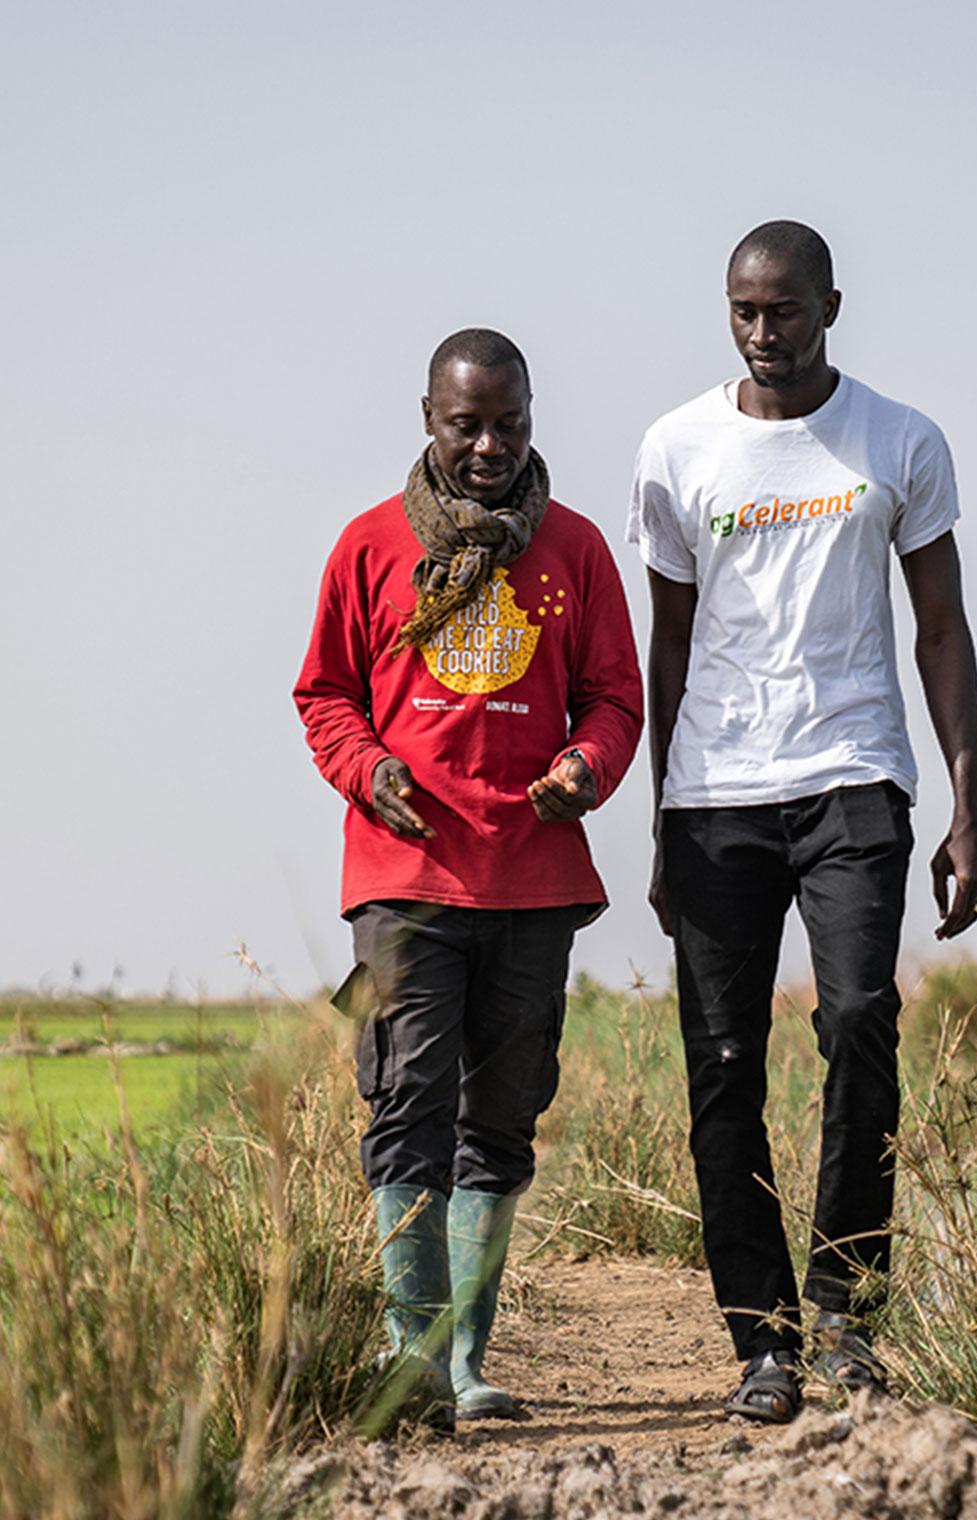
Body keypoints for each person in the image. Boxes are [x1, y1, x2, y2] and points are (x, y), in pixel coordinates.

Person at [628, 221, 977, 1423]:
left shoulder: (899, 439)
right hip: (716, 793)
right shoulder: (678, 448)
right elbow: (668, 643)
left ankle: (844, 1313)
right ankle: (763, 1339)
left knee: (861, 1022)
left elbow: (941, 626)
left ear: (830, 306)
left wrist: (969, 801)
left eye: (784, 309)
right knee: (723, 1061)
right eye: (744, 309)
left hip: (855, 775)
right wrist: (662, 817)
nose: (762, 331)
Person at [294, 328, 643, 1430]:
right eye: (467, 425)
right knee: (407, 1104)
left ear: (532, 418)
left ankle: (468, 1358)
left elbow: (615, 698)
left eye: (510, 424)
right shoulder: (368, 547)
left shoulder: (577, 550)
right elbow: (324, 695)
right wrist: (371, 767)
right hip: (403, 877)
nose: (490, 446)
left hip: (533, 882)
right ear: (428, 420)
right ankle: (415, 1358)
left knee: (501, 1115)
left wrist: (585, 768)